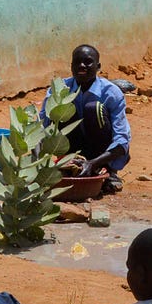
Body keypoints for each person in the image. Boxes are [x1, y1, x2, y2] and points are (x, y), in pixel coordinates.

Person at [41, 44, 131, 194]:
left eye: (88, 62)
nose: (82, 66)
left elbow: (122, 141)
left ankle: (108, 171)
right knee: (64, 108)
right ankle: (69, 166)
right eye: (77, 62)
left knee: (93, 108)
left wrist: (92, 163)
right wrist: (38, 166)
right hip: (70, 151)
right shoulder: (59, 90)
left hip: (100, 153)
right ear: (71, 66)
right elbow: (42, 128)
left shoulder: (111, 93)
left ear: (98, 66)